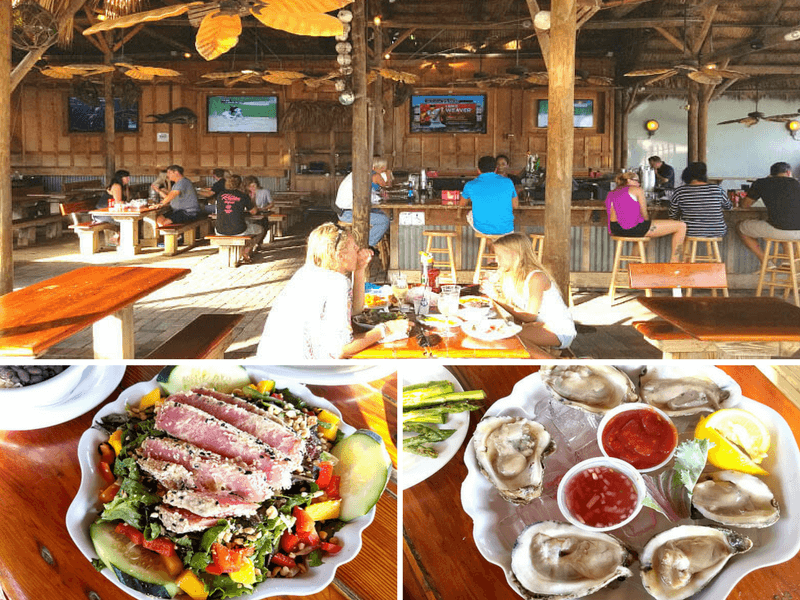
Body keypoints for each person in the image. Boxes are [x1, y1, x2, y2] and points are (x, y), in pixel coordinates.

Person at [256, 223, 409, 359]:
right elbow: (340, 350)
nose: (358, 249)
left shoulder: (307, 271)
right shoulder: (337, 283)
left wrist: (359, 270)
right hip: (295, 375)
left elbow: (355, 310)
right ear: (340, 256)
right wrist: (386, 329)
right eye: (353, 246)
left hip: (270, 363)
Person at [481, 233, 576, 358]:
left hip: (559, 329)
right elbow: (518, 315)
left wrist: (496, 297)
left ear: (513, 255)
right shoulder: (512, 275)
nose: (496, 260)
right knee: (498, 335)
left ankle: (556, 363)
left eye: (499, 256)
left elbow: (529, 317)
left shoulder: (536, 277)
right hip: (539, 326)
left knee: (505, 338)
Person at [605, 171, 686, 262]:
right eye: (636, 180)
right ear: (629, 180)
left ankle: (633, 265)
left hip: (615, 229)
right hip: (632, 228)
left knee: (643, 234)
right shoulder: (637, 190)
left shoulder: (611, 193)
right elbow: (644, 213)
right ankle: (675, 262)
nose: (638, 183)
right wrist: (647, 224)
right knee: (681, 226)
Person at [738, 161, 800, 263]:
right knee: (785, 230)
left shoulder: (761, 183)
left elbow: (745, 205)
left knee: (740, 228)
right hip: (798, 232)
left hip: (779, 230)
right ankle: (789, 264)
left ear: (771, 174)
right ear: (789, 173)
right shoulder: (797, 183)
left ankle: (766, 262)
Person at [335, 158, 391, 248]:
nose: (382, 171)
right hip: (347, 213)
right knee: (384, 221)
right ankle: (365, 246)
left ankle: (369, 241)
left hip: (347, 210)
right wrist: (380, 197)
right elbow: (368, 198)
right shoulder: (363, 177)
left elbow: (370, 195)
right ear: (374, 168)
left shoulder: (361, 174)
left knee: (383, 214)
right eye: (381, 169)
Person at [669, 162, 731, 238]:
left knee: (680, 228)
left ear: (686, 175)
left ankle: (685, 250)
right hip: (717, 231)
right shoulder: (717, 189)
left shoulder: (680, 191)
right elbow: (729, 207)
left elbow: (672, 215)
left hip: (689, 231)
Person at [460, 155, 518, 235]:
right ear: (495, 169)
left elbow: (462, 204)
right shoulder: (508, 182)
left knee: (471, 214)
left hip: (482, 228)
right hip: (507, 229)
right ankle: (493, 244)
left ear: (478, 170)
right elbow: (515, 205)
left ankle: (490, 244)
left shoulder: (470, 185)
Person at [215, 174, 263, 262]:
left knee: (245, 226)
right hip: (238, 230)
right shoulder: (243, 196)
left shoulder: (220, 195)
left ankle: (241, 252)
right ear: (240, 184)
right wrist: (252, 199)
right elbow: (254, 211)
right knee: (260, 229)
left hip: (219, 230)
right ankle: (246, 250)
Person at [93, 169, 130, 243]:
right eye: (126, 177)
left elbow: (125, 200)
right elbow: (118, 202)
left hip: (110, 212)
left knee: (129, 220)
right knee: (127, 221)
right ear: (121, 178)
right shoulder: (116, 186)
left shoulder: (124, 187)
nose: (128, 179)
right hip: (102, 214)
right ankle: (116, 239)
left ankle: (118, 238)